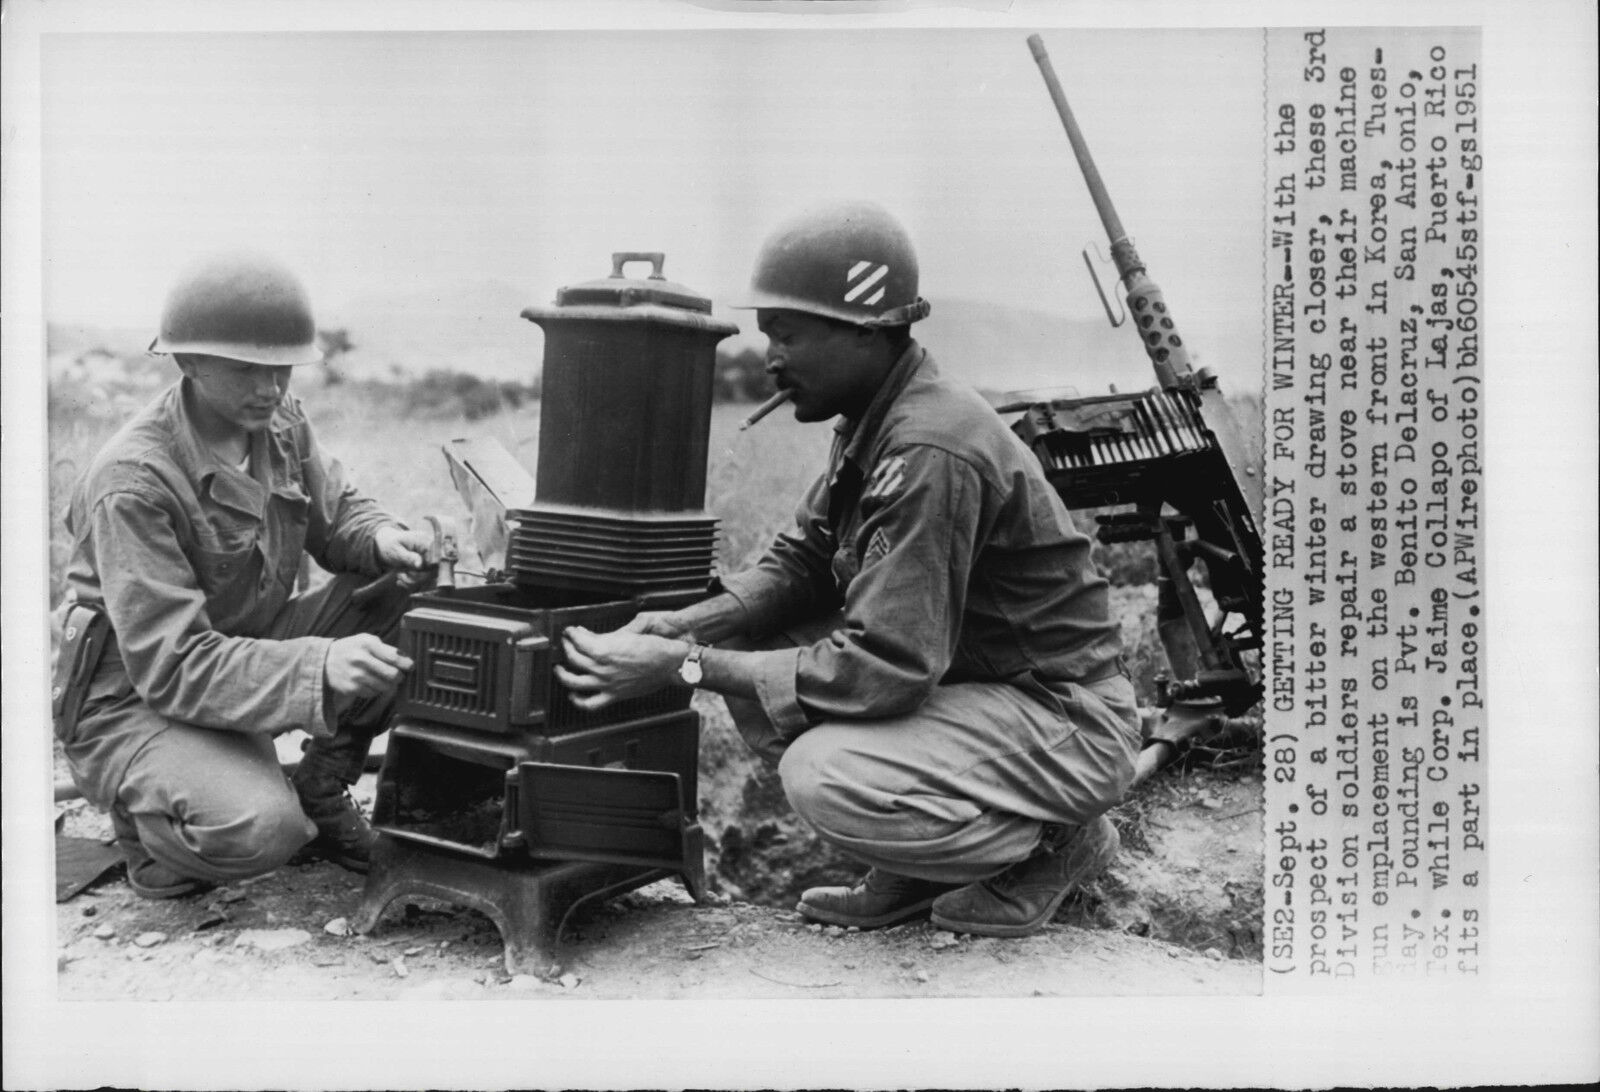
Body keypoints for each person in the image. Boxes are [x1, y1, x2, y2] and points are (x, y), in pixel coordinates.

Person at [556, 201, 1141, 938]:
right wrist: (690, 624)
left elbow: (888, 666)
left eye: (789, 334)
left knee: (823, 774)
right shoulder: (878, 418)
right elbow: (804, 562)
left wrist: (686, 666)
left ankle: (1050, 846)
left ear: (866, 328)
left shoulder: (930, 447)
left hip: (1064, 721)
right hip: (988, 692)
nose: (769, 358)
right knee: (766, 650)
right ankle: (920, 865)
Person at [54, 250, 435, 898]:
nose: (271, 387)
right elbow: (170, 667)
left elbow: (334, 511)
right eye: (248, 369)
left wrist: (382, 536)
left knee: (414, 597)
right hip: (136, 696)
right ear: (188, 362)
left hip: (242, 646)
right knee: (261, 829)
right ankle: (149, 834)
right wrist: (317, 667)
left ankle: (321, 784)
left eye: (282, 368)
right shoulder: (134, 481)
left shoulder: (278, 421)